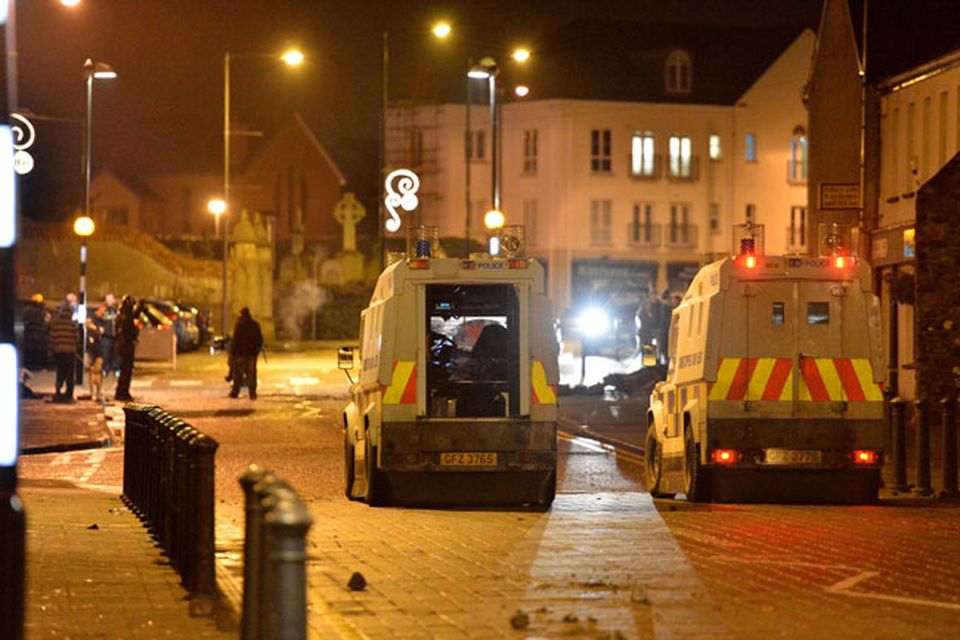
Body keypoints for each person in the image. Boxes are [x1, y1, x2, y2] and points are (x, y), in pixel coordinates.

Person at [228, 307, 263, 399]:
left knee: (238, 374)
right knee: (251, 375)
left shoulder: (239, 325)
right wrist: (256, 350)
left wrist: (232, 352)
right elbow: (260, 340)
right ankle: (252, 393)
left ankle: (235, 392)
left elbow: (235, 339)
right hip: (251, 354)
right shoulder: (255, 325)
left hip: (241, 353)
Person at [49, 295, 79, 403]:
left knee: (60, 372)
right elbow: (76, 337)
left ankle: (58, 390)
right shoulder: (72, 324)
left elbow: (52, 337)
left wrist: (52, 349)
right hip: (70, 352)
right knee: (70, 374)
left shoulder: (56, 323)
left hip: (59, 352)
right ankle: (69, 394)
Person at [114, 295, 139, 402]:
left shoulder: (121, 316)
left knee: (124, 370)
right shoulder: (127, 318)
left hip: (122, 346)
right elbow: (131, 332)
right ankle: (123, 392)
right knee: (126, 370)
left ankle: (121, 391)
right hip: (127, 347)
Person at [96, 293, 119, 380]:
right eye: (107, 300)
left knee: (116, 354)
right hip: (106, 336)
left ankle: (117, 369)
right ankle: (105, 369)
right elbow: (96, 320)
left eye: (110, 300)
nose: (109, 301)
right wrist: (99, 328)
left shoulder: (117, 310)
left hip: (116, 336)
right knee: (105, 353)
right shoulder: (103, 310)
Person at [85, 317, 104, 402]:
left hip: (96, 355)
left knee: (97, 374)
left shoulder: (95, 331)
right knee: (92, 375)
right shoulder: (88, 333)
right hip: (92, 355)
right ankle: (93, 393)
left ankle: (97, 393)